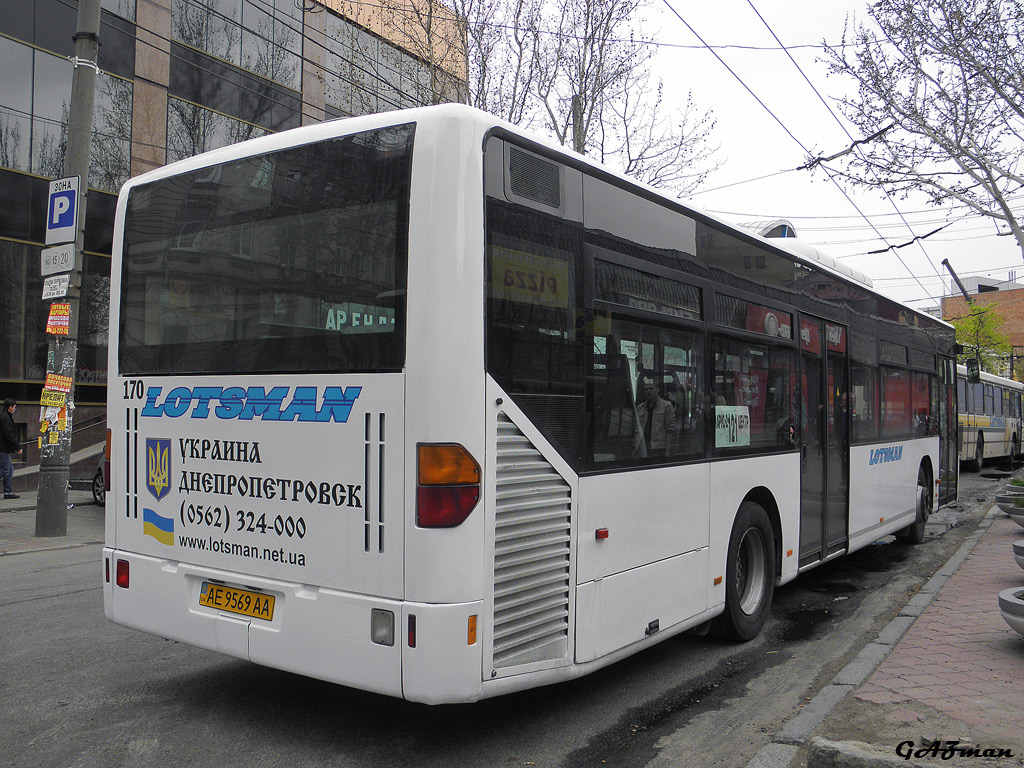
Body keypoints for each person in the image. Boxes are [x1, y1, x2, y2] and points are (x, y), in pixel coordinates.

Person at [636, 377, 678, 458]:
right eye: (646, 389)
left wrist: (667, 450)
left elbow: (670, 429)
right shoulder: (640, 408)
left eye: (651, 388)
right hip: (643, 447)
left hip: (658, 447)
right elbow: (637, 429)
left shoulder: (667, 406)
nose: (648, 391)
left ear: (658, 390)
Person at [1, 398, 22, 499]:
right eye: (14, 407)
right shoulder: (5, 418)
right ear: (10, 407)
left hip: (5, 447)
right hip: (2, 448)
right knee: (5, 470)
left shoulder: (6, 416)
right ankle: (8, 492)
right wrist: (17, 447)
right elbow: (8, 434)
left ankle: (8, 492)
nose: (15, 409)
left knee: (10, 471)